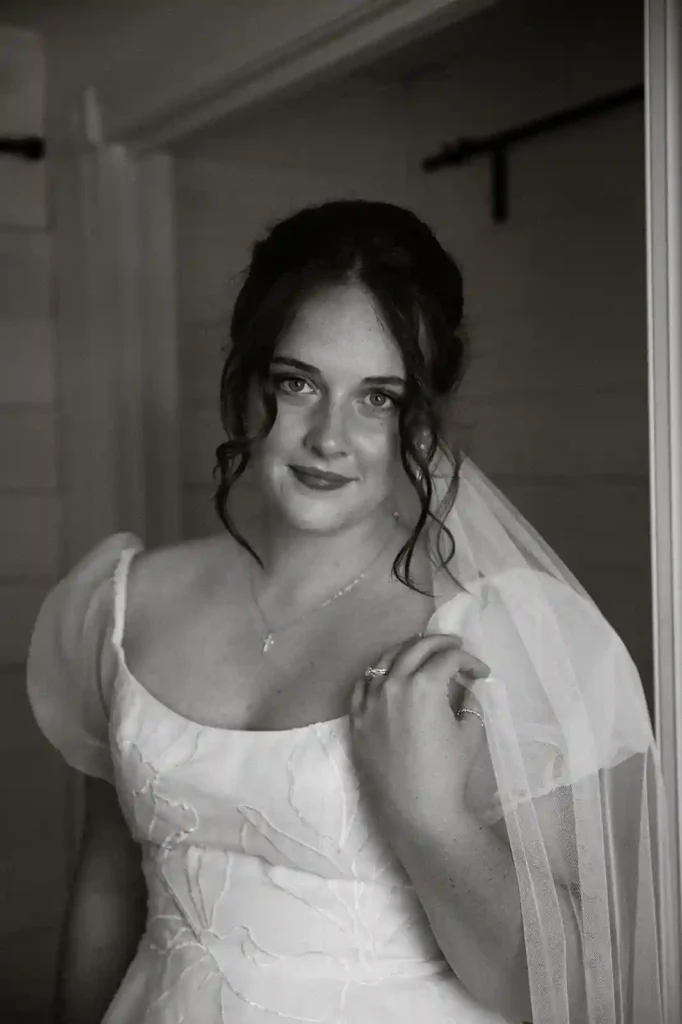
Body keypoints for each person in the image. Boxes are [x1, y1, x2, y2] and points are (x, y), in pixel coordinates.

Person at [27, 200, 673, 1024]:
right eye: (299, 384)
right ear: (247, 379)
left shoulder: (505, 638)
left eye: (377, 399)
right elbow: (108, 882)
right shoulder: (122, 601)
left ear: (421, 414)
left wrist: (430, 818)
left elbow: (576, 989)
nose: (331, 437)